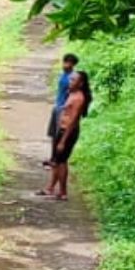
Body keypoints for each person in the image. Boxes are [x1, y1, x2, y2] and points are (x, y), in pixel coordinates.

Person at [43, 70, 90, 201]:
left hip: (68, 132)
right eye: (70, 79)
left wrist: (63, 140)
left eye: (74, 80)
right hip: (62, 129)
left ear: (80, 84)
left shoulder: (79, 98)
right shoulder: (71, 93)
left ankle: (63, 192)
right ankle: (51, 188)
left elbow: (73, 121)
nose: (70, 82)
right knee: (57, 161)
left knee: (62, 161)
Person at [45, 53, 78, 167]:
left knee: (60, 134)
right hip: (57, 106)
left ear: (73, 64)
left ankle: (57, 159)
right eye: (65, 62)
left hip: (64, 109)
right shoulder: (63, 74)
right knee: (54, 134)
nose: (65, 65)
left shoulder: (73, 77)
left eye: (68, 63)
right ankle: (53, 157)